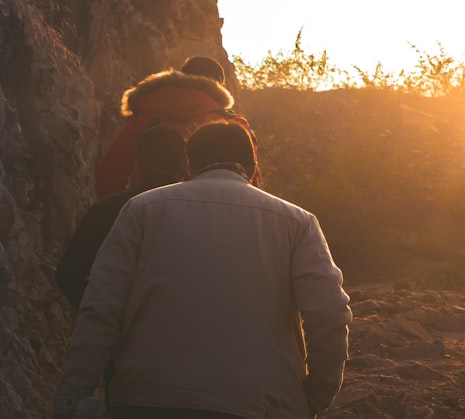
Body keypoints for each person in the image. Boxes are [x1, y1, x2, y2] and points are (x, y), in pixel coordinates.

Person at [54, 122, 351, 419]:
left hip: (146, 399)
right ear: (252, 166)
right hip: (262, 405)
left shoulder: (141, 209)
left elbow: (101, 307)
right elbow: (328, 313)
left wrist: (72, 396)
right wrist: (317, 394)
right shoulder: (297, 222)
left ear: (189, 164)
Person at [56, 124, 188, 309]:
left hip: (118, 331)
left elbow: (68, 274)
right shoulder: (199, 215)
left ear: (139, 165)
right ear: (184, 165)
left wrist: (105, 310)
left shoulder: (106, 210)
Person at [94, 56, 259, 198]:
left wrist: (128, 211)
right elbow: (251, 182)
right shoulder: (232, 125)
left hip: (150, 216)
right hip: (209, 219)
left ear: (182, 80)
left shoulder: (143, 117)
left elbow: (108, 173)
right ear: (219, 87)